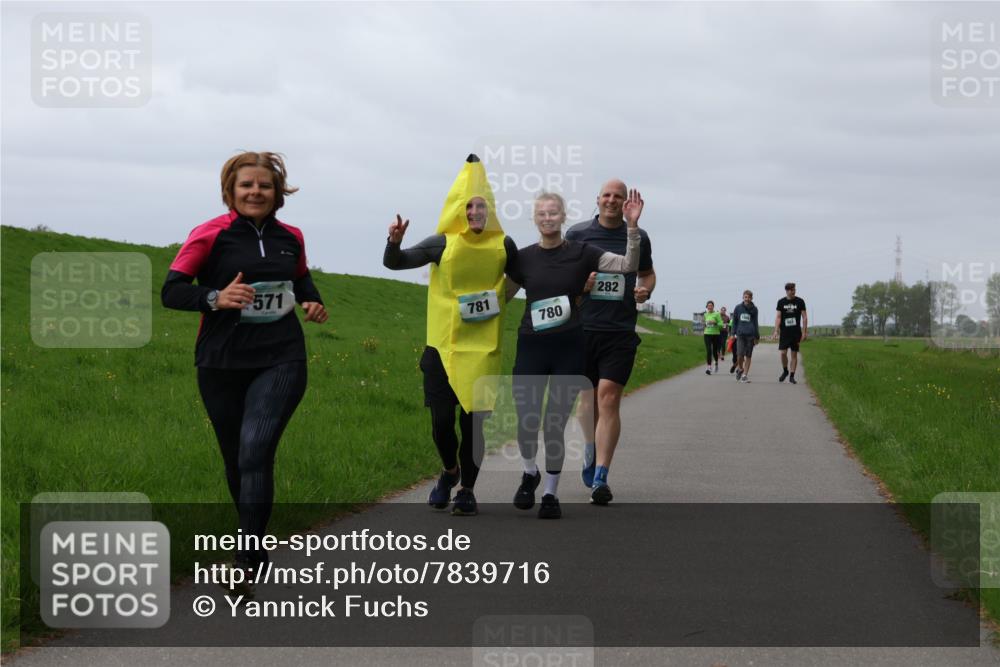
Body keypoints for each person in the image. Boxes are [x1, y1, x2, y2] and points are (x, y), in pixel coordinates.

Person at [162, 151, 327, 594]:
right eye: (247, 185)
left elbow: (301, 281)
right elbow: (172, 291)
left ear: (278, 194)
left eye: (265, 186)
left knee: (256, 450)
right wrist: (216, 298)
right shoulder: (210, 234)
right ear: (231, 191)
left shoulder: (291, 237)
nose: (256, 192)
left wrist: (312, 301)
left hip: (281, 356)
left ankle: (245, 557)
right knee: (236, 458)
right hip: (220, 361)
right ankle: (253, 543)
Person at [383, 154, 516, 517]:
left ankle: (467, 490)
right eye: (469, 206)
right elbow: (395, 263)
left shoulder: (504, 245)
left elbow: (524, 273)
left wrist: (502, 297)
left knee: (473, 426)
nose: (475, 213)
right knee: (442, 423)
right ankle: (449, 471)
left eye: (482, 206)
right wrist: (394, 242)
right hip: (442, 349)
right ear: (459, 209)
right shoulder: (441, 243)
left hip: (483, 350)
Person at [506, 191, 643, 518]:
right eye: (542, 213)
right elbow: (501, 298)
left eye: (554, 213)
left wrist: (632, 227)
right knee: (526, 420)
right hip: (531, 344)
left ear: (562, 216)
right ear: (535, 218)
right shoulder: (523, 258)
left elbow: (628, 265)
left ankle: (551, 494)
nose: (548, 218)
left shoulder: (583, 253)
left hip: (569, 345)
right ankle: (529, 473)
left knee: (554, 422)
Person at [565, 179, 655, 505]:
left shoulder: (638, 237)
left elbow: (647, 274)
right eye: (607, 195)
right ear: (598, 199)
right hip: (583, 330)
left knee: (609, 397)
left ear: (625, 202)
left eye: (618, 196)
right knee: (587, 401)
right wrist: (582, 285)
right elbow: (562, 276)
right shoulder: (577, 235)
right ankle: (589, 448)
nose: (612, 200)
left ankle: (601, 475)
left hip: (619, 331)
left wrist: (646, 290)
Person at [772, 282, 808, 384]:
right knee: (783, 353)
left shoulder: (800, 301)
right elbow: (778, 317)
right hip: (785, 332)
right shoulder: (781, 302)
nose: (794, 291)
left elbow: (804, 317)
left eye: (794, 289)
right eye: (792, 290)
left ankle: (792, 375)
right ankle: (785, 371)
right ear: (787, 291)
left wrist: (804, 332)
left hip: (796, 332)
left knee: (794, 354)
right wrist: (776, 330)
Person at [732, 290, 759, 383]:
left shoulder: (754, 309)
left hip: (750, 335)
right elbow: (734, 321)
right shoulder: (738, 308)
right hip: (740, 334)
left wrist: (757, 336)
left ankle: (744, 375)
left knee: (748, 355)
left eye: (748, 297)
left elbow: (755, 323)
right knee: (739, 354)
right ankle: (740, 369)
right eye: (745, 297)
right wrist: (732, 333)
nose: (747, 299)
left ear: (751, 298)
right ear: (743, 297)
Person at [702, 301, 723, 374]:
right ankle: (709, 367)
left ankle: (716, 363)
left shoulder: (717, 314)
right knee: (708, 350)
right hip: (707, 334)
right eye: (708, 306)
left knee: (714, 351)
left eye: (711, 305)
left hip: (715, 334)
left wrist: (715, 323)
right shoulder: (705, 314)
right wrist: (704, 325)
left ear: (713, 307)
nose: (710, 307)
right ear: (707, 307)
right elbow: (704, 323)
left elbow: (721, 324)